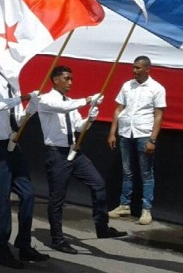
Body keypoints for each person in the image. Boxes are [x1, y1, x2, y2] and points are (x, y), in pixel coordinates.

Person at [37, 66, 126, 255]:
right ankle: (57, 239)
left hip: (74, 151)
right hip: (57, 154)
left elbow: (78, 126)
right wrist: (87, 100)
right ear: (55, 80)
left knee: (98, 184)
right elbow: (63, 107)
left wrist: (90, 118)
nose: (70, 82)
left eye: (71, 79)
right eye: (66, 78)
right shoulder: (45, 100)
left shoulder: (70, 101)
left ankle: (102, 227)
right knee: (57, 198)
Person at [0, 73, 49, 269]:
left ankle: (24, 244)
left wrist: (32, 106)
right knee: (2, 200)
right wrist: (23, 97)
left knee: (28, 194)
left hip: (14, 144)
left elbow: (18, 120)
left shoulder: (14, 85)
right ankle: (1, 249)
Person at [108, 56, 166, 225]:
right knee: (127, 171)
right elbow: (118, 109)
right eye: (133, 67)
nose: (134, 71)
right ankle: (124, 205)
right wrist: (112, 132)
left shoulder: (156, 88)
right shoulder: (127, 86)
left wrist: (152, 140)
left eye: (138, 68)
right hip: (126, 132)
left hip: (144, 133)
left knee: (146, 173)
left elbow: (159, 115)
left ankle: (146, 209)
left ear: (147, 69)